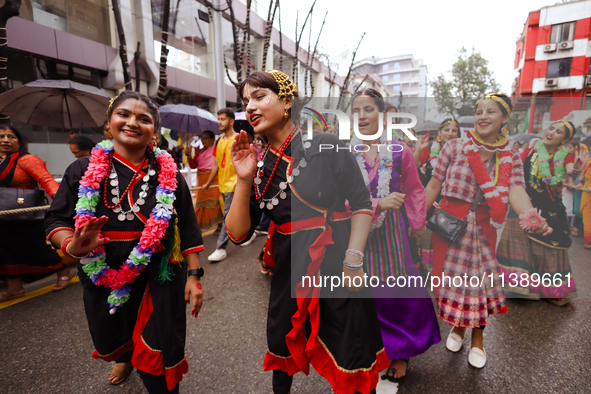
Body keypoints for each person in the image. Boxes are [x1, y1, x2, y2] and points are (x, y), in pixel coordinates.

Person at [226, 70, 388, 394]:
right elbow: (239, 235)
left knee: (350, 350)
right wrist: (243, 179)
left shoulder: (326, 144)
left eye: (259, 97)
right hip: (290, 268)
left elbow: (361, 204)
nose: (250, 107)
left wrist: (354, 259)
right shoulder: (258, 167)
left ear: (286, 101)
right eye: (246, 102)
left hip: (338, 263)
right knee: (281, 347)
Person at [45, 91, 204, 393]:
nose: (133, 122)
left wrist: (195, 276)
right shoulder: (81, 170)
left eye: (144, 119)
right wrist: (72, 245)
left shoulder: (166, 171)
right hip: (103, 272)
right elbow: (56, 220)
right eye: (124, 115)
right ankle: (127, 356)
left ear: (154, 132)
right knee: (114, 338)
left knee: (158, 354)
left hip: (159, 275)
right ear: (109, 123)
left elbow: (189, 224)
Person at [425, 93, 551, 369]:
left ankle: (478, 339)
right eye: (479, 110)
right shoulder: (454, 146)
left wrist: (531, 217)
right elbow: (434, 186)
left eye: (491, 111)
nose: (483, 116)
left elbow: (516, 190)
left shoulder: (510, 156)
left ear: (505, 118)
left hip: (484, 228)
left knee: (480, 286)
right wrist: (415, 217)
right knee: (454, 284)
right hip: (449, 226)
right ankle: (458, 327)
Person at [350, 89, 441, 381]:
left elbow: (414, 188)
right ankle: (372, 349)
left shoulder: (399, 150)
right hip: (355, 233)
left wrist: (417, 223)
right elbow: (337, 198)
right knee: (363, 296)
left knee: (395, 293)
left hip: (391, 234)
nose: (362, 116)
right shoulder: (344, 152)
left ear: (382, 114)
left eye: (368, 109)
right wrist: (376, 204)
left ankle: (399, 351)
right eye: (356, 111)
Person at [497, 120, 583, 305]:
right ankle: (524, 289)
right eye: (551, 128)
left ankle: (552, 290)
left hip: (550, 210)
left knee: (549, 248)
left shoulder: (566, 154)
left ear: (565, 139)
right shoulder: (531, 151)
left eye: (558, 131)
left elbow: (569, 170)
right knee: (521, 247)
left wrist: (576, 168)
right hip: (525, 205)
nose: (551, 132)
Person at [0, 126, 73, 301]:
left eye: (11, 136)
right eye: (1, 136)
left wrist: (61, 203)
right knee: (5, 252)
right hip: (3, 218)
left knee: (37, 248)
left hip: (27, 216)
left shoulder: (27, 159)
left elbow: (46, 180)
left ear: (19, 141)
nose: (5, 140)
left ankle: (63, 272)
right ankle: (14, 288)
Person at [414, 119, 461, 273]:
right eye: (446, 130)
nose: (450, 133)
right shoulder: (429, 149)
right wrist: (419, 150)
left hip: (452, 205)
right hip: (430, 199)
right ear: (439, 133)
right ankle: (429, 271)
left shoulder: (463, 152)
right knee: (428, 238)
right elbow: (413, 169)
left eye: (454, 131)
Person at [203, 108, 238, 262]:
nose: (219, 122)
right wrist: (208, 183)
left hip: (236, 184)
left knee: (227, 216)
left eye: (223, 119)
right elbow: (217, 165)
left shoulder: (239, 139)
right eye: (219, 119)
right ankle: (248, 233)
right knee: (231, 215)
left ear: (231, 121)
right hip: (223, 185)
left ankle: (220, 248)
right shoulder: (219, 141)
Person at [185, 130, 223, 230]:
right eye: (202, 138)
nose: (203, 140)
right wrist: (189, 156)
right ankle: (198, 228)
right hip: (201, 178)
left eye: (206, 138)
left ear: (212, 139)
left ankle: (220, 225)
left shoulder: (216, 149)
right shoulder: (199, 151)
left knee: (214, 203)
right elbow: (193, 166)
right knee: (200, 204)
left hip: (213, 178)